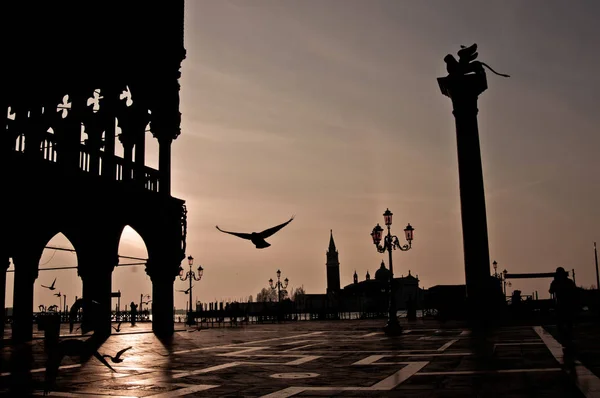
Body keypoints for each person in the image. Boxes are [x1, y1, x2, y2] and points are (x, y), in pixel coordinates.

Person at [549, 267, 578, 348]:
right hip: (567, 303)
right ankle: (568, 336)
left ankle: (564, 336)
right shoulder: (568, 281)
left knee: (562, 321)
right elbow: (574, 290)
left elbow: (551, 290)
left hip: (562, 303)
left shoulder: (556, 281)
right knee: (567, 321)